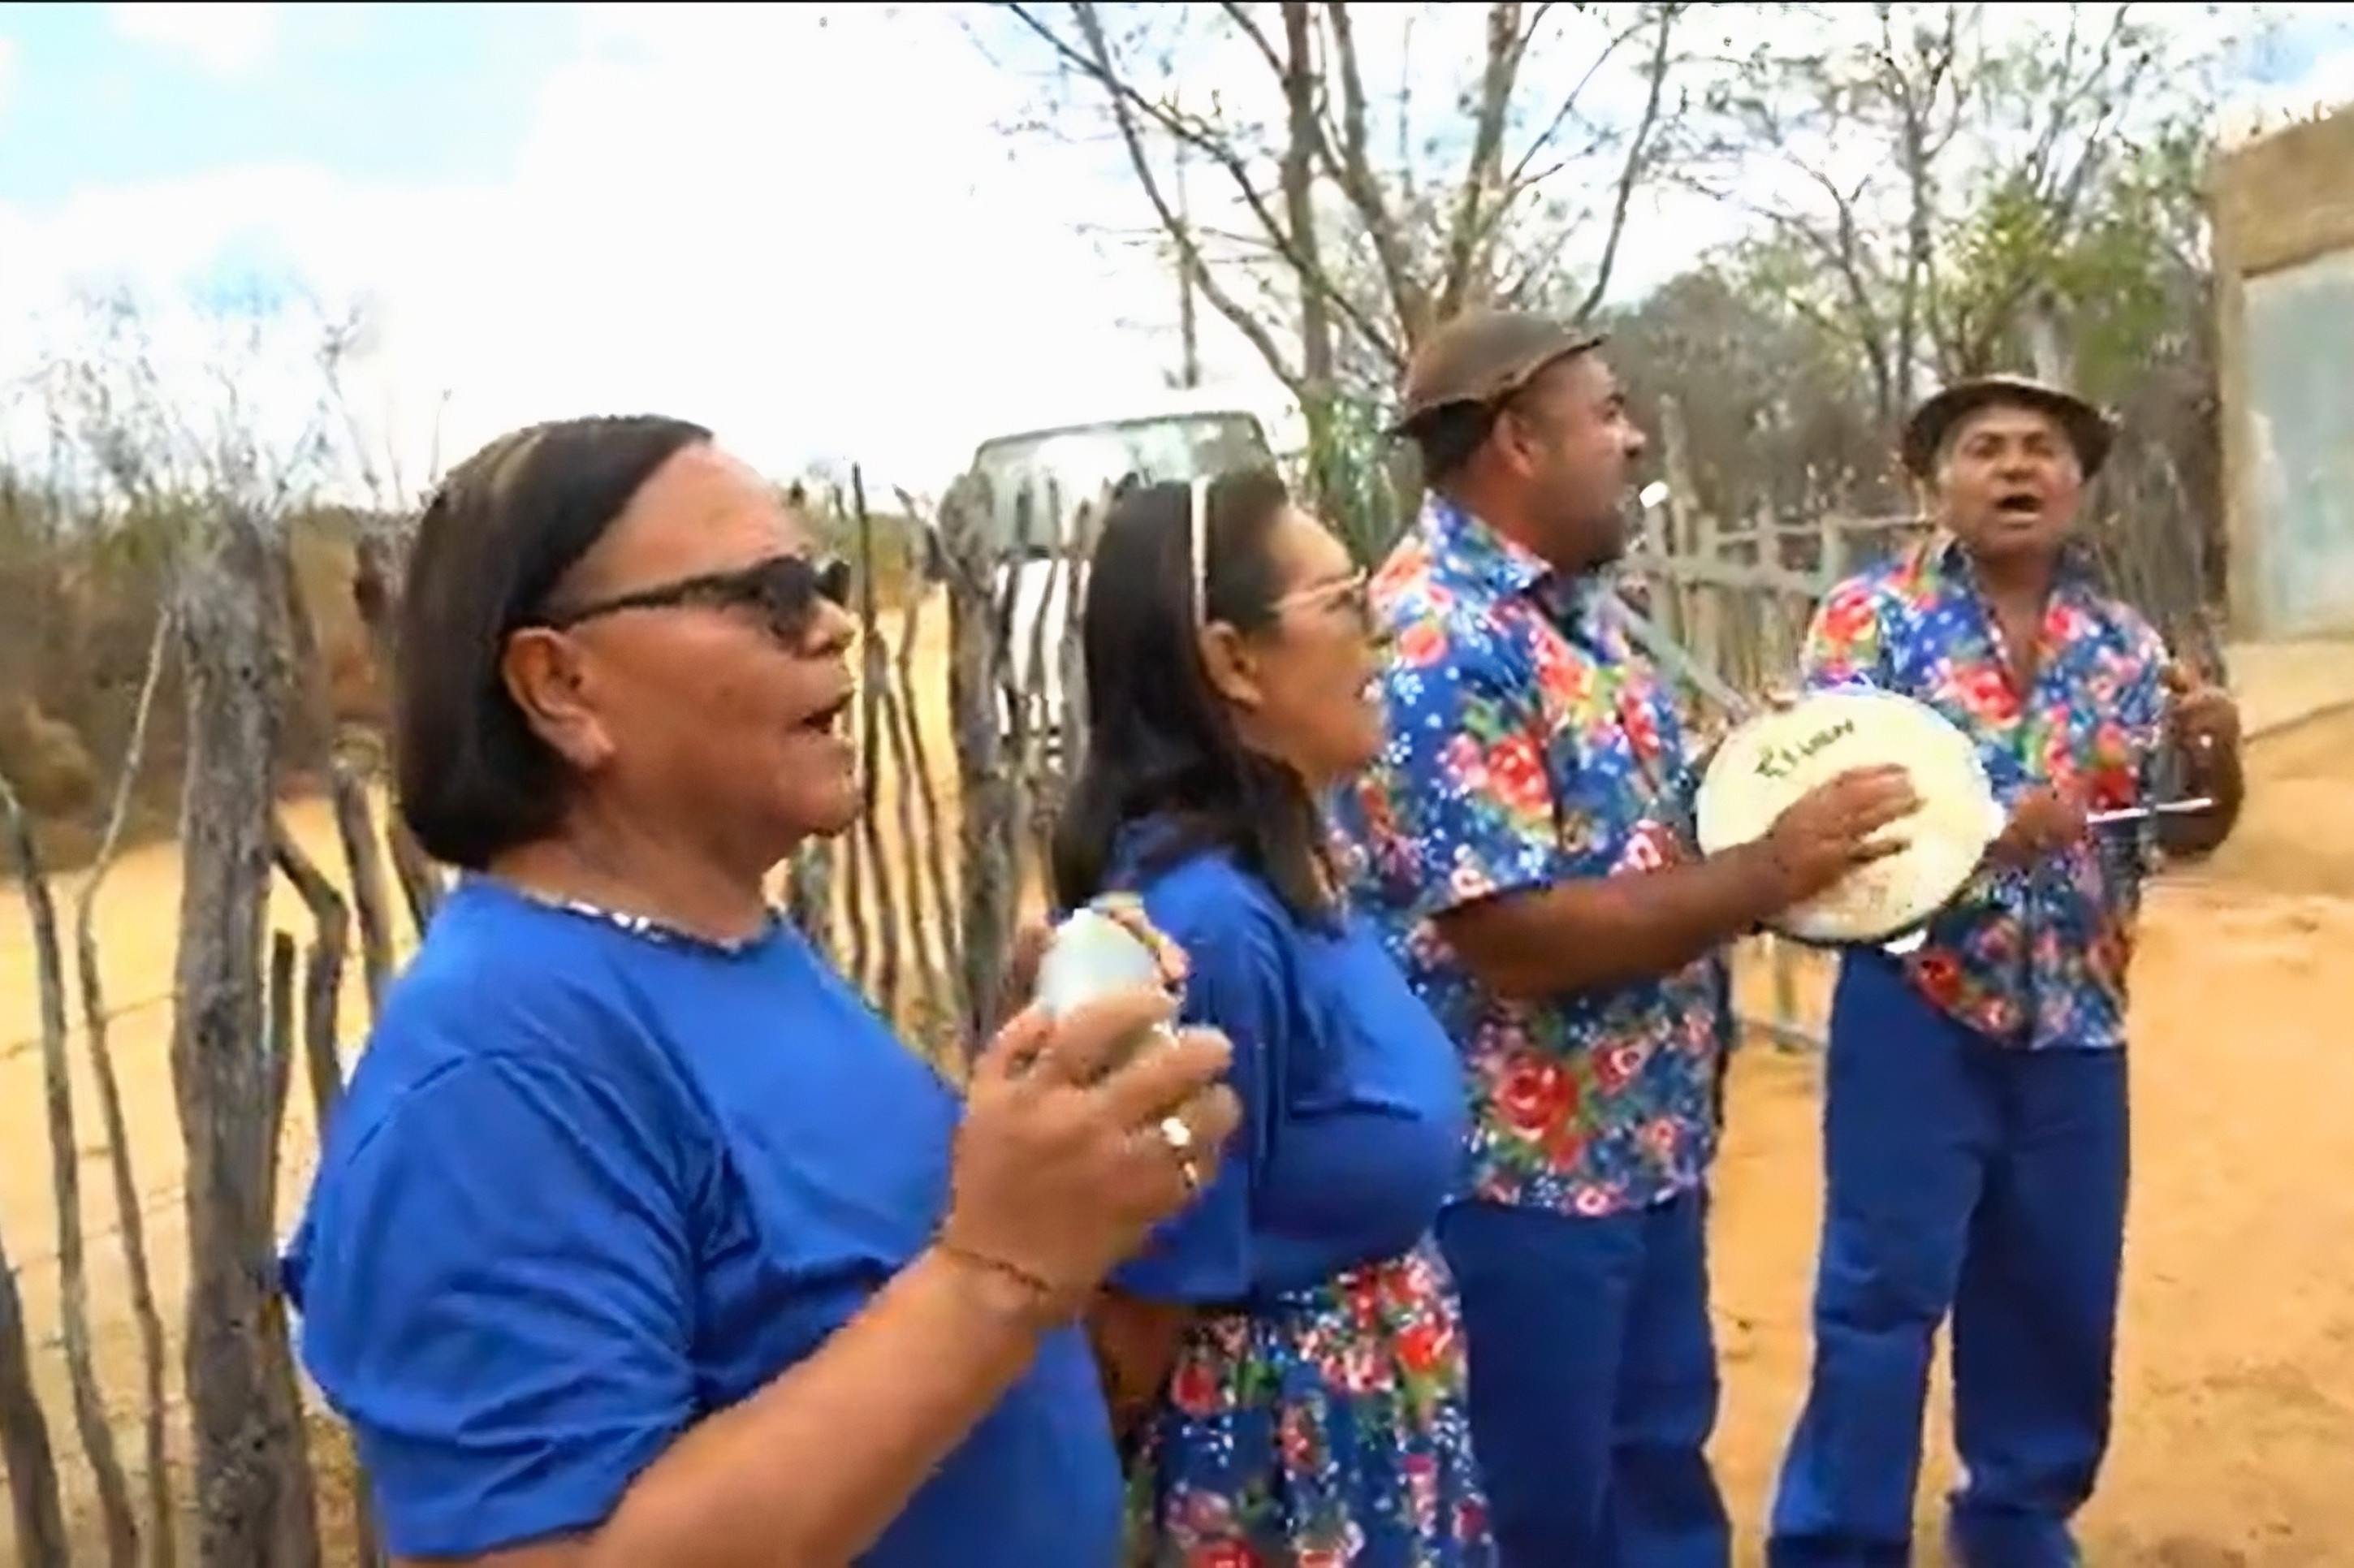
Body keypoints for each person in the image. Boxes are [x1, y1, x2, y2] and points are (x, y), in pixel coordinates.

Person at [279, 414, 1244, 1567]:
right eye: (772, 594)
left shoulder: (722, 950)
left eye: (826, 582)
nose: (836, 624)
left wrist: (1037, 1093)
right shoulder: (495, 1073)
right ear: (560, 685)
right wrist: (999, 1270)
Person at [1328, 310, 1922, 1567]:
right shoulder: (1438, 639)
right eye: (1604, 412)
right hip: (1515, 1185)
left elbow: (1630, 837)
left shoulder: (1575, 616)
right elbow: (1512, 934)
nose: (1633, 434)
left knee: (1654, 1483)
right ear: (1515, 443)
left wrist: (1762, 778)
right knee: (1545, 1515)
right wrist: (1770, 867)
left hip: (1637, 1147)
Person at [1766, 376, 2244, 1567]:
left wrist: (2215, 757)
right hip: (1915, 1008)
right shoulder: (1867, 623)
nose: (2017, 468)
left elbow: (2181, 832)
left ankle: (2018, 1515)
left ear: (2079, 485)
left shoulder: (2126, 644)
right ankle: (1838, 1537)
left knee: (2057, 1291)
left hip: (2078, 1020)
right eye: (1986, 448)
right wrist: (1978, 820)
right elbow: (1816, 813)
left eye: (2044, 450)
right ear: (1935, 479)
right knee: (1880, 1293)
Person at [1053, 471, 1493, 1566]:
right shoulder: (1210, 923)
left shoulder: (1289, 866)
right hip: (1281, 1469)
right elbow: (1147, 1291)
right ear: (1231, 660)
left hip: (1367, 1420)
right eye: (1343, 600)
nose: (1381, 628)